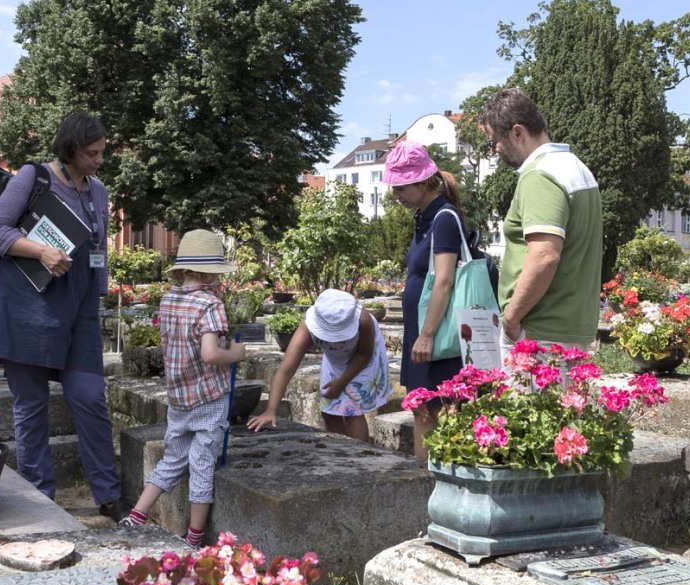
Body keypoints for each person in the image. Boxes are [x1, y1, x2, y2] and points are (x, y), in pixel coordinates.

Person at [0, 111, 126, 520]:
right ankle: (40, 500)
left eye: (101, 153)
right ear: (71, 148)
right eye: (92, 153)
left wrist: (97, 296)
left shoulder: (97, 190)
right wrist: (41, 250)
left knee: (91, 399)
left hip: (78, 310)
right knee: (31, 407)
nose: (99, 160)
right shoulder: (32, 176)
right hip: (26, 307)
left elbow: (100, 248)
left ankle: (107, 495)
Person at [118, 230, 245, 547]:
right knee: (202, 466)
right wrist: (235, 355)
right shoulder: (210, 305)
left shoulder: (169, 299)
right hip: (209, 398)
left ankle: (136, 515)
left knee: (173, 459)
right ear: (210, 273)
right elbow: (211, 354)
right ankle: (194, 537)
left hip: (178, 397)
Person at [478, 87, 603, 354]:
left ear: (517, 132)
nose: (493, 151)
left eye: (493, 141)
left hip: (539, 332)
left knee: (530, 397)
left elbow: (544, 255)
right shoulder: (576, 168)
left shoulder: (540, 175)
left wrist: (512, 318)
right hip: (568, 327)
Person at [384, 141, 471, 458]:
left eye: (400, 187)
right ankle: (424, 480)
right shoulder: (425, 218)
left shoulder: (444, 218)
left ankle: (445, 483)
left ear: (422, 182)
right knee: (422, 409)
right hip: (421, 334)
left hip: (438, 334)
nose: (396, 195)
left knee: (444, 412)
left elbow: (445, 280)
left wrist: (427, 334)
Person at [247, 289, 390, 442]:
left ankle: (360, 457)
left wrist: (341, 383)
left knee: (351, 410)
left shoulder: (363, 320)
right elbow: (285, 370)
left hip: (363, 357)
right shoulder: (308, 327)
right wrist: (271, 410)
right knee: (328, 409)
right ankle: (341, 451)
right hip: (335, 358)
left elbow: (364, 355)